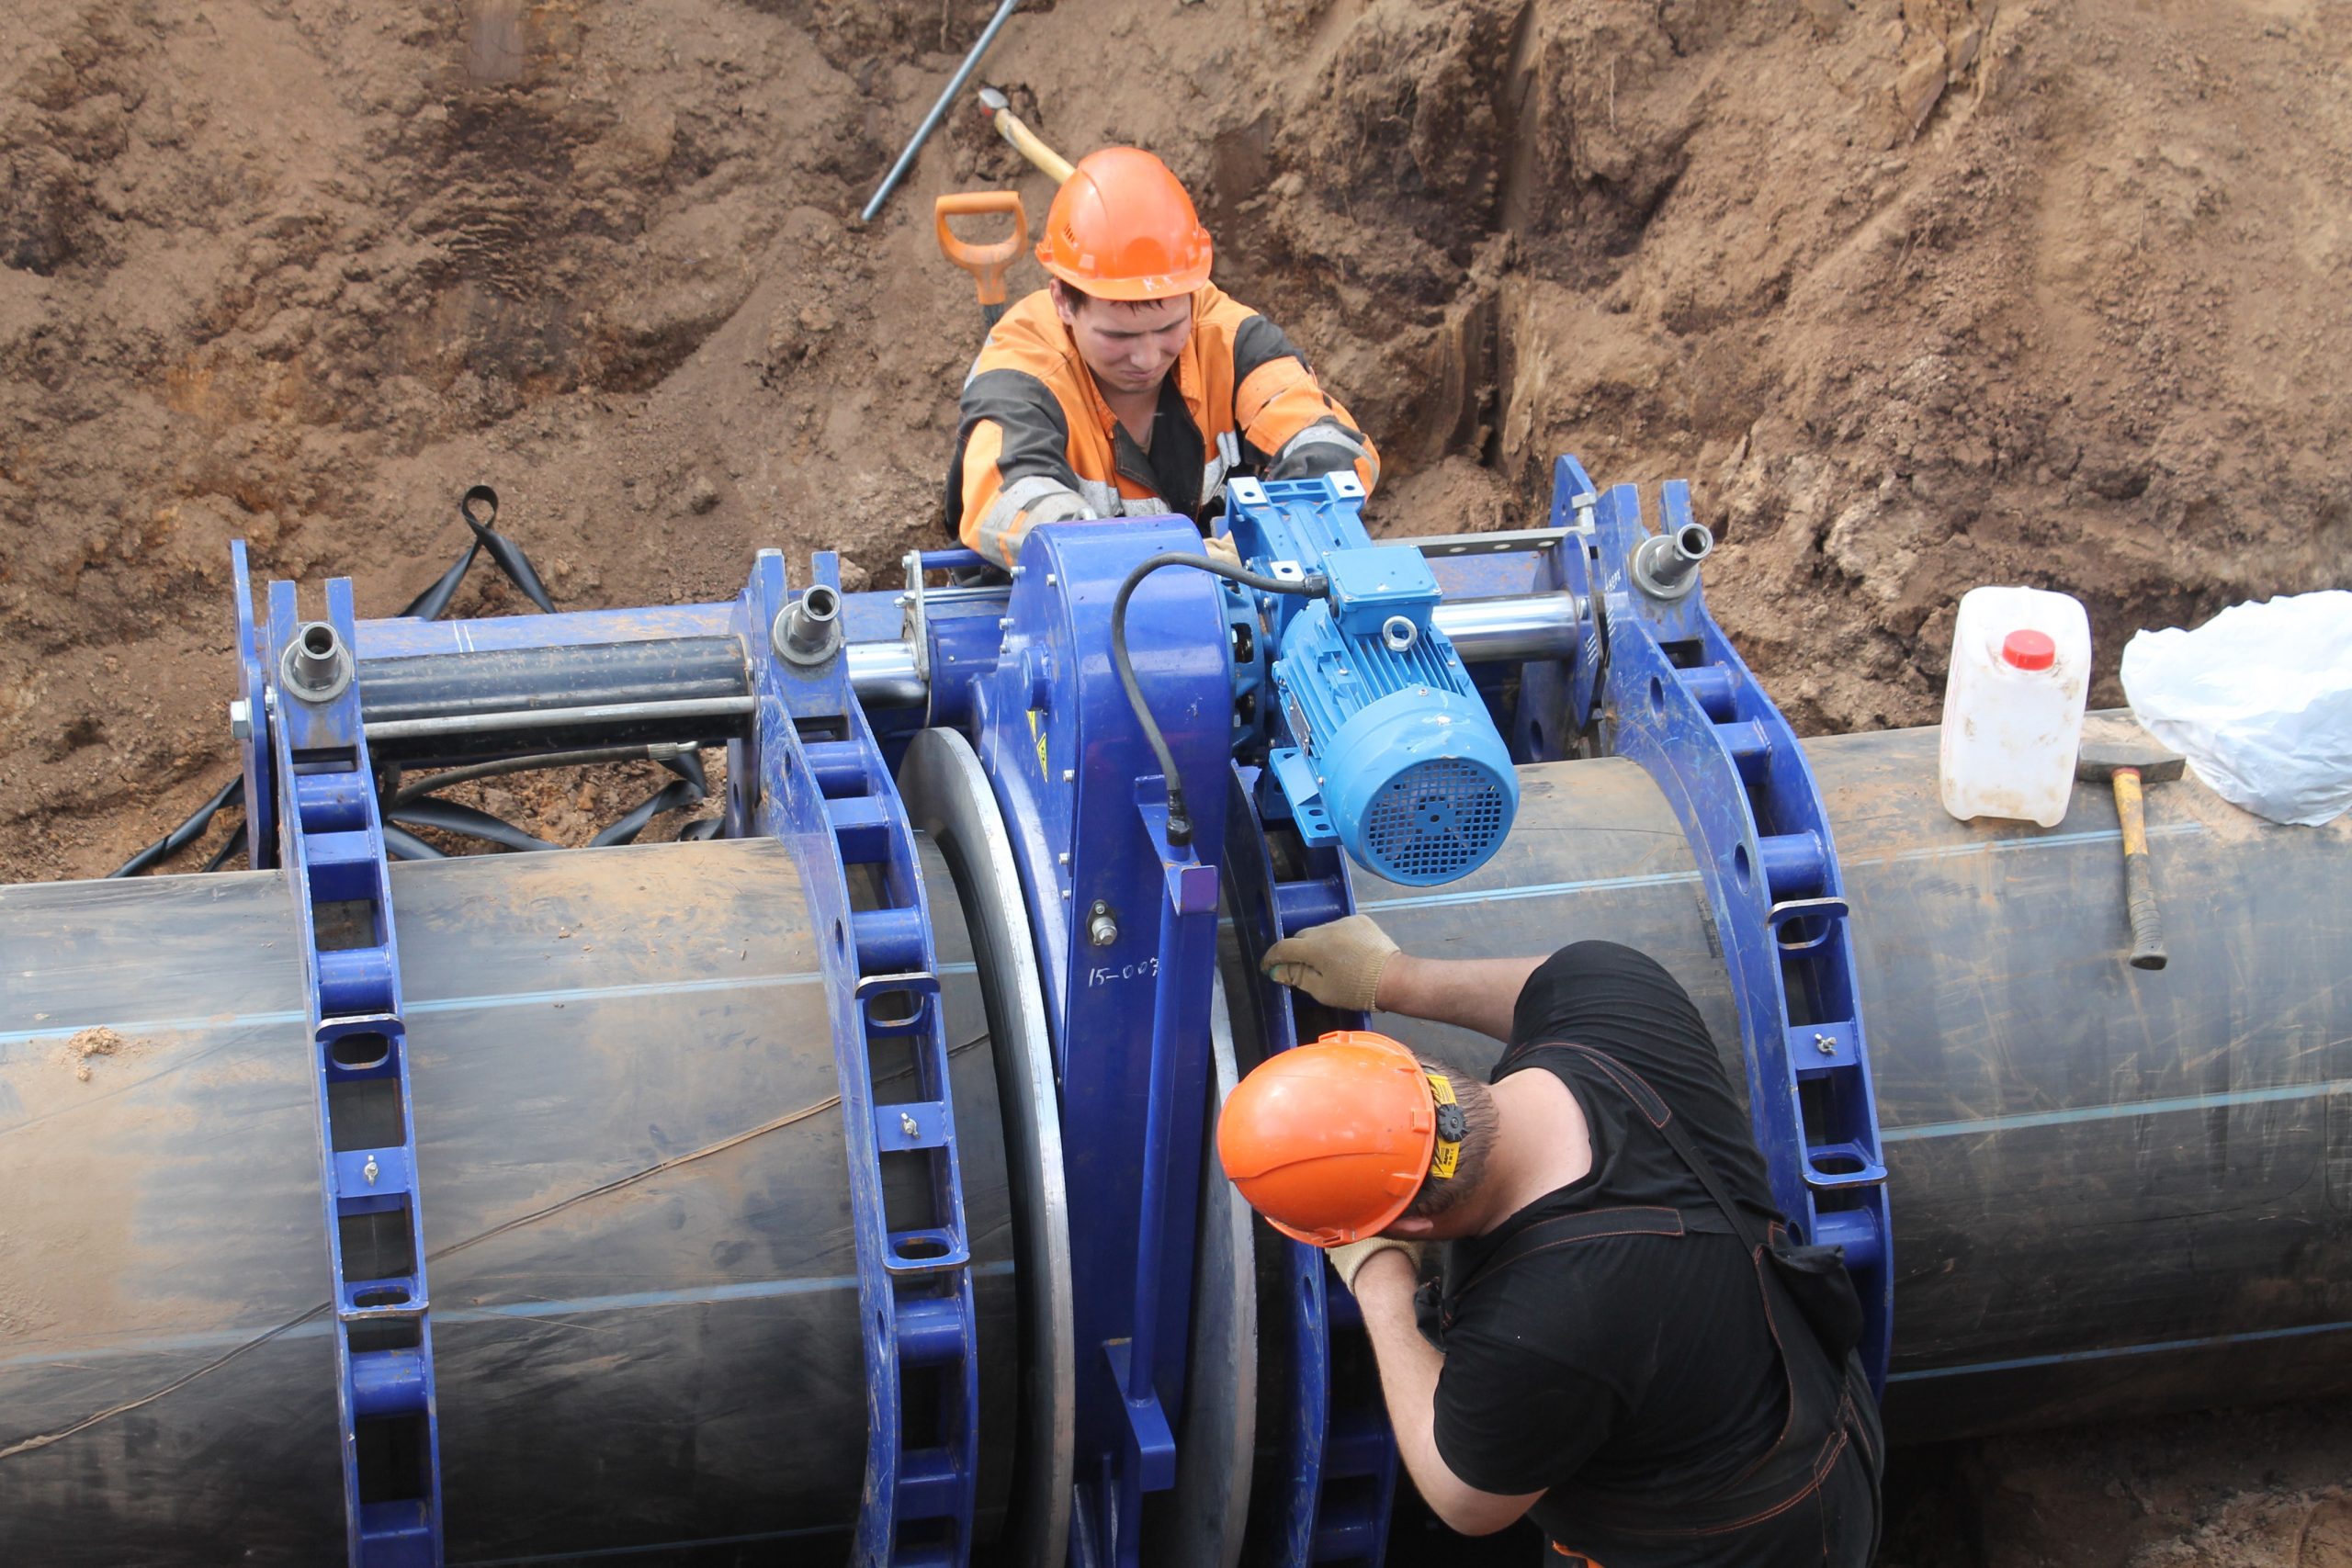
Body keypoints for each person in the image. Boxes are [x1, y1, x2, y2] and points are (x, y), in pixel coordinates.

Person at [1217, 916, 1883, 1566]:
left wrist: (1378, 1275)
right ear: (1414, 1062)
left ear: (1413, 1226)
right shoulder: (1621, 994)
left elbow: (1466, 1499)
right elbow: (1549, 982)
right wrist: (1394, 977)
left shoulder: (1542, 1324)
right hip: (1804, 1408)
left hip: (1743, 1540)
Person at [945, 146, 1379, 570]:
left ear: (1192, 294)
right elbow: (1009, 504)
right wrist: (1162, 564)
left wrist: (1271, 539)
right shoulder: (1021, 373)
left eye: (1169, 328)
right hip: (1051, 604)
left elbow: (1333, 447)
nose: (1148, 357)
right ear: (1063, 301)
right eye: (1118, 335)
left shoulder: (1229, 339)